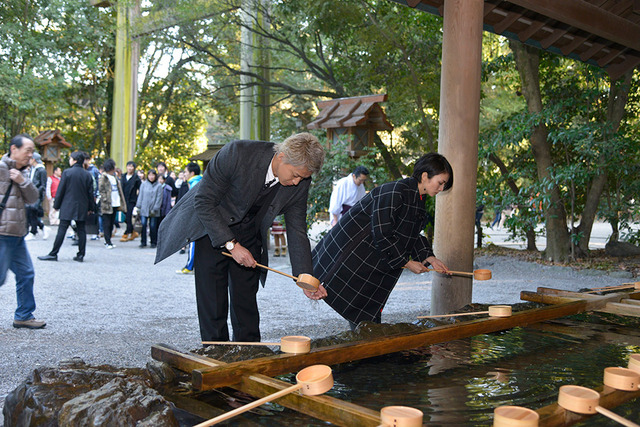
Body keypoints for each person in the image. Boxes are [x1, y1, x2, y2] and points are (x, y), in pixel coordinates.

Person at [155, 133, 326, 343]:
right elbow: (203, 201)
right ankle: (214, 357)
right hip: (212, 229)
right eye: (296, 175)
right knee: (213, 304)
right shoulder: (236, 154)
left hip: (250, 233)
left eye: (303, 178)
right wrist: (231, 244)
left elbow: (296, 229)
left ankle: (249, 356)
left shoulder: (299, 183)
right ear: (281, 157)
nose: (297, 182)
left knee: (246, 305)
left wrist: (305, 278)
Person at [313, 153, 453, 329]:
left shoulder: (418, 197)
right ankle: (363, 349)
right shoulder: (394, 191)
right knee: (362, 313)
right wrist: (407, 262)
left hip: (374, 258)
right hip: (356, 255)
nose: (441, 188)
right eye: (440, 183)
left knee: (367, 315)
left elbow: (412, 234)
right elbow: (382, 232)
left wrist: (430, 258)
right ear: (425, 176)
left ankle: (366, 347)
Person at [0, 134, 46, 329]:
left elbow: (33, 198)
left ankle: (24, 315)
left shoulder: (22, 172)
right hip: (2, 233)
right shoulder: (1, 169)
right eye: (27, 150)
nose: (31, 154)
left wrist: (21, 180)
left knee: (26, 273)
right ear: (14, 149)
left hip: (17, 234)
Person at [38, 151, 95, 262]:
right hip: (82, 206)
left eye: (70, 158)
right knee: (81, 230)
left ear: (74, 160)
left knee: (62, 229)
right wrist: (91, 208)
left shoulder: (67, 173)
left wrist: (56, 205)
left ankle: (54, 253)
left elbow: (61, 190)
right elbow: (90, 194)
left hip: (68, 205)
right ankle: (80, 255)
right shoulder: (87, 175)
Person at [175, 162, 202, 275]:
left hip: (196, 218)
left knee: (193, 242)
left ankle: (189, 267)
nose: (184, 174)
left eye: (185, 172)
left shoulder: (194, 183)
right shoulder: (197, 181)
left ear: (192, 173)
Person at [98, 159, 126, 249]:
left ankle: (109, 239)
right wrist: (105, 199)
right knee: (107, 223)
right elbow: (101, 190)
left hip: (115, 202)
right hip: (107, 204)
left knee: (112, 222)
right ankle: (107, 241)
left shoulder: (114, 177)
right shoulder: (103, 177)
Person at [135, 169, 162, 248]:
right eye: (150, 175)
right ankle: (143, 242)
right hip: (144, 208)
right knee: (143, 225)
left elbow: (159, 198)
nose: (151, 177)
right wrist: (138, 206)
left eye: (153, 175)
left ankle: (153, 242)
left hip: (154, 209)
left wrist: (156, 208)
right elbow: (140, 195)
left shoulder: (159, 185)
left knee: (153, 226)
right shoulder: (143, 184)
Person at [120, 161, 141, 242]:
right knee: (125, 217)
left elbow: (140, 189)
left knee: (128, 216)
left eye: (132, 166)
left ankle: (127, 232)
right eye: (128, 166)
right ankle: (133, 232)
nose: (130, 168)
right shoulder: (123, 176)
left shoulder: (136, 178)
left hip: (131, 200)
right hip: (123, 199)